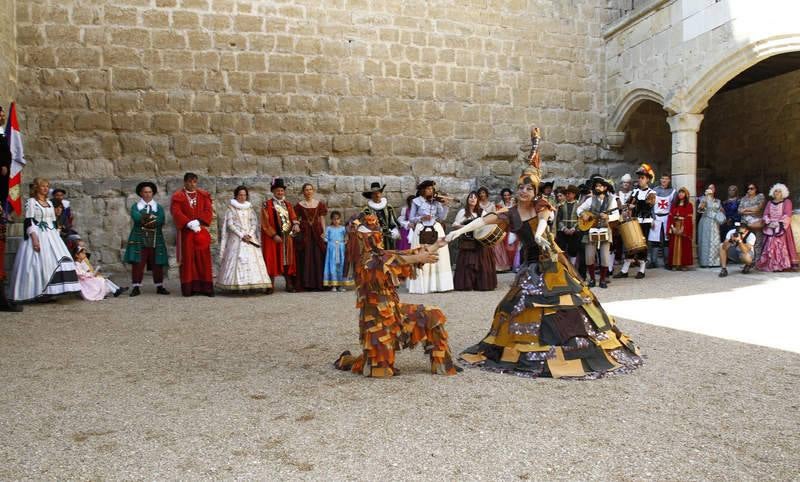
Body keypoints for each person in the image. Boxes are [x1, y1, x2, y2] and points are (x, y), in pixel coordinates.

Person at [445, 126, 642, 379]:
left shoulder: (541, 205)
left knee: (568, 303)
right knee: (516, 302)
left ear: (535, 192)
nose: (524, 191)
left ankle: (570, 343)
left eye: (529, 188)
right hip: (530, 263)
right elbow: (484, 221)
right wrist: (458, 232)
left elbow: (543, 220)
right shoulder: (510, 213)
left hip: (551, 261)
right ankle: (524, 344)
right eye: (521, 188)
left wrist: (539, 234)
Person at [334, 213, 459, 377]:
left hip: (395, 314)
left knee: (433, 315)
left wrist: (436, 245)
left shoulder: (381, 254)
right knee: (381, 371)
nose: (375, 237)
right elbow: (395, 260)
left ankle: (442, 364)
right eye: (370, 234)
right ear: (361, 238)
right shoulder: (365, 261)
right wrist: (418, 257)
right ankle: (348, 361)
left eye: (376, 233)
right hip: (377, 325)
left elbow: (402, 255)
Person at [8, 177, 81, 302]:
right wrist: (35, 239)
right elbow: (29, 221)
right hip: (38, 234)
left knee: (58, 259)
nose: (45, 188)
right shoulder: (31, 202)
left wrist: (57, 234)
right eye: (43, 186)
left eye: (47, 186)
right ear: (37, 188)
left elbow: (53, 222)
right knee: (37, 263)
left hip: (51, 235)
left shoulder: (50, 202)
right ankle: (37, 292)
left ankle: (50, 292)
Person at [217, 186, 273, 294]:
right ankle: (237, 285)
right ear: (236, 195)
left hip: (249, 237)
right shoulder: (231, 208)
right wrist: (242, 235)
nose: (242, 197)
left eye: (244, 195)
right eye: (240, 195)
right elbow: (230, 224)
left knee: (253, 261)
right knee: (238, 260)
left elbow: (254, 222)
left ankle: (252, 284)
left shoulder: (249, 208)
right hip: (237, 238)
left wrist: (250, 234)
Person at [170, 172, 214, 297]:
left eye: (194, 182)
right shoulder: (178, 196)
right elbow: (176, 211)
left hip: (200, 231)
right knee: (189, 260)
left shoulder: (203, 195)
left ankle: (206, 288)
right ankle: (190, 288)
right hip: (187, 233)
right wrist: (188, 223)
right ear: (185, 182)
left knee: (203, 259)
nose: (192, 184)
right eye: (189, 182)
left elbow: (208, 210)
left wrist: (199, 221)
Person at [123, 181, 170, 297]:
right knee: (138, 262)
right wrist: (152, 220)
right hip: (139, 237)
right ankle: (136, 287)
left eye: (150, 192)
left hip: (156, 238)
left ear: (153, 193)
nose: (148, 194)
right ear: (141, 193)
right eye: (145, 192)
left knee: (157, 262)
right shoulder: (136, 207)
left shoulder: (158, 207)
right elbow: (137, 218)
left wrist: (146, 220)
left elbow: (161, 220)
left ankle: (159, 286)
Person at [407, 180, 453, 294]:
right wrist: (421, 218)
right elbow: (411, 218)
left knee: (438, 255)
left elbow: (441, 217)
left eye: (432, 189)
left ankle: (439, 285)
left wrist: (446, 206)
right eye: (428, 189)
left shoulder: (436, 202)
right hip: (421, 229)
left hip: (436, 228)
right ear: (423, 190)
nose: (431, 191)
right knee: (421, 253)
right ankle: (421, 286)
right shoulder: (416, 201)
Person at [615, 164, 656, 279]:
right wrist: (626, 208)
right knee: (630, 243)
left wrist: (636, 205)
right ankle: (624, 270)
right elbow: (628, 203)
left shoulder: (651, 193)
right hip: (634, 221)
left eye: (642, 178)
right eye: (639, 178)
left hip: (645, 221)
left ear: (648, 179)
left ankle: (642, 270)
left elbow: (648, 206)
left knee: (642, 245)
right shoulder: (635, 192)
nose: (640, 180)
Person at [577, 176, 619, 288]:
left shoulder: (612, 200)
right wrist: (583, 215)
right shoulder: (590, 199)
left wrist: (607, 217)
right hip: (591, 230)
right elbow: (579, 209)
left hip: (605, 230)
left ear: (605, 187)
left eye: (600, 186)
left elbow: (616, 215)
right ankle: (591, 279)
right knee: (589, 256)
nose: (597, 187)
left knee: (605, 257)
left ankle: (603, 280)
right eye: (596, 186)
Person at [261, 177, 300, 292]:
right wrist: (273, 235)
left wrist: (296, 224)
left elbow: (293, 217)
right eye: (278, 190)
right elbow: (265, 222)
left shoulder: (288, 205)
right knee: (271, 260)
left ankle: (289, 284)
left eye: (282, 190)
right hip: (272, 238)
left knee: (287, 259)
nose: (280, 192)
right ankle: (270, 285)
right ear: (273, 191)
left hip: (286, 236)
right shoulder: (266, 205)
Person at [452, 191, 496, 291]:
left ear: (477, 200)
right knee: (467, 263)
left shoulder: (482, 212)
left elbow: (488, 223)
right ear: (468, 200)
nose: (472, 199)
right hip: (468, 241)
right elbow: (454, 225)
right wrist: (467, 227)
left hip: (480, 241)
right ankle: (467, 284)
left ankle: (481, 284)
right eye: (470, 197)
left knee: (482, 261)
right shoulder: (463, 212)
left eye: (475, 198)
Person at [756, 183, 798, 272]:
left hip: (781, 227)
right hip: (770, 226)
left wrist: (779, 224)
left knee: (780, 245)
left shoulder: (787, 202)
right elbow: (765, 214)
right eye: (775, 191)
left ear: (783, 193)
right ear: (773, 192)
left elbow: (787, 214)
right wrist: (768, 222)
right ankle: (771, 264)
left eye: (779, 191)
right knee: (769, 245)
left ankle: (781, 265)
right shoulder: (769, 203)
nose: (777, 193)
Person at [294, 183, 328, 291]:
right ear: (303, 192)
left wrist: (324, 231)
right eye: (306, 190)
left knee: (318, 255)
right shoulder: (299, 205)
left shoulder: (319, 204)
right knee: (305, 255)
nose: (308, 191)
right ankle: (306, 283)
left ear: (313, 191)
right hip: (305, 232)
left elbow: (322, 218)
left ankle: (318, 283)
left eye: (310, 189)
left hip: (317, 231)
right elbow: (295, 218)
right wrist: (297, 225)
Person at [649, 174, 676, 269]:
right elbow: (651, 205)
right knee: (654, 241)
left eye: (666, 179)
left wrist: (672, 221)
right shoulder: (654, 190)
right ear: (660, 180)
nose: (664, 180)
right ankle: (653, 261)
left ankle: (667, 262)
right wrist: (652, 218)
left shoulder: (673, 192)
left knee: (666, 241)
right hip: (656, 217)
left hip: (667, 218)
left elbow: (673, 207)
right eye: (662, 178)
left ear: (669, 180)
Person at [361, 182, 399, 250]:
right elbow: (364, 225)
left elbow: (393, 221)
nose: (377, 195)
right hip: (375, 239)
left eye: (379, 193)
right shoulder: (366, 210)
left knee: (389, 257)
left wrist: (394, 230)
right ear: (371, 195)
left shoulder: (388, 207)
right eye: (375, 193)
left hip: (388, 237)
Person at [323, 210, 352, 291]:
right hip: (332, 250)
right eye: (334, 219)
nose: (336, 221)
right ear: (331, 220)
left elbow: (346, 237)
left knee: (341, 266)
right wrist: (328, 242)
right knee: (332, 266)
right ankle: (334, 285)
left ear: (340, 219)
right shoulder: (329, 228)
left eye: (338, 219)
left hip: (340, 249)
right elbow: (325, 237)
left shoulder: (343, 229)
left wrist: (345, 242)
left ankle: (341, 285)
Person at [667, 187, 694, 270]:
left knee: (684, 246)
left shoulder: (689, 205)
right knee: (673, 246)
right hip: (674, 227)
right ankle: (674, 264)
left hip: (683, 227)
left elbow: (689, 218)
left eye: (683, 193)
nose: (681, 194)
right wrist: (672, 227)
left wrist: (683, 228)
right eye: (679, 193)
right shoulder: (674, 204)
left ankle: (683, 264)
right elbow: (670, 217)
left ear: (686, 195)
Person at [738, 183, 766, 260]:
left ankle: (757, 260)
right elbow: (739, 210)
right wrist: (752, 211)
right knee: (745, 241)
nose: (749, 190)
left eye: (752, 188)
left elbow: (758, 209)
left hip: (756, 223)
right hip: (745, 223)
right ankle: (748, 260)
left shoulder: (760, 196)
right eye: (748, 188)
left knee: (757, 241)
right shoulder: (744, 198)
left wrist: (746, 210)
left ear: (756, 189)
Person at [696, 185, 723, 268]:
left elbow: (721, 210)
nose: (711, 189)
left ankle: (715, 262)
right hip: (705, 221)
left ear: (714, 190)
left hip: (715, 222)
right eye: (709, 188)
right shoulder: (703, 199)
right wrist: (704, 201)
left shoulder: (718, 201)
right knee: (705, 241)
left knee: (715, 241)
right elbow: (699, 210)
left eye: (713, 188)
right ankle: (704, 262)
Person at [555, 185, 581, 267]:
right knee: (561, 248)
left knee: (573, 250)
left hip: (575, 231)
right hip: (562, 231)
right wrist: (564, 228)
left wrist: (574, 228)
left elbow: (580, 219)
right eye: (566, 194)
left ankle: (572, 267)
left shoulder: (579, 205)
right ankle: (562, 266)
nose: (567, 195)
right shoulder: (561, 205)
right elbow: (558, 219)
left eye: (569, 194)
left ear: (574, 194)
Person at [492, 188, 517, 272]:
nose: (507, 197)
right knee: (505, 246)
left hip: (513, 226)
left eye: (508, 195)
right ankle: (506, 264)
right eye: (505, 195)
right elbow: (498, 216)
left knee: (513, 246)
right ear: (502, 196)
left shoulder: (515, 203)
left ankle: (513, 265)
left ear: (510, 195)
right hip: (503, 227)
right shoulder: (499, 205)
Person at [612, 173, 634, 266]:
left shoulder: (633, 194)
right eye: (624, 183)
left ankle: (630, 259)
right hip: (620, 218)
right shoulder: (617, 194)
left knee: (630, 238)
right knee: (618, 239)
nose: (626, 184)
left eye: (627, 183)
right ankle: (618, 257)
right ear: (621, 184)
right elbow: (617, 206)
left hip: (630, 217)